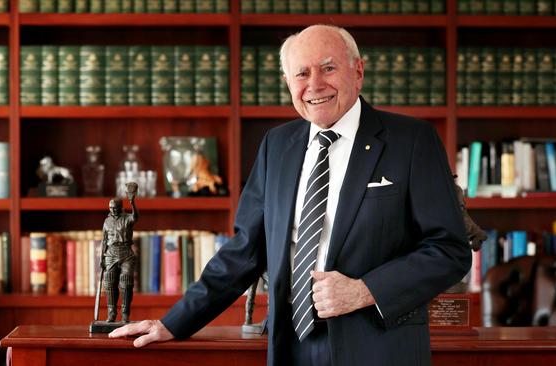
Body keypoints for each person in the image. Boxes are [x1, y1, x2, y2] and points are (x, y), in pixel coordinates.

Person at [110, 24, 471, 366]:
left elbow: (450, 250)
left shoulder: (411, 141)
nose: (315, 84)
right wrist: (174, 322)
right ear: (288, 83)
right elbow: (246, 249)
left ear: (358, 71)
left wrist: (366, 290)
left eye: (328, 68)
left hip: (377, 345)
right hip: (289, 344)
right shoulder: (277, 145)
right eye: (301, 74)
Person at [101, 195, 139, 323]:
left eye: (115, 208)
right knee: (110, 283)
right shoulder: (107, 221)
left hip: (125, 253)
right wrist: (102, 257)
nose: (113, 210)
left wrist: (132, 203)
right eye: (111, 208)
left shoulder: (127, 218)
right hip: (111, 253)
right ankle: (111, 313)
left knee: (126, 283)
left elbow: (136, 217)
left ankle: (125, 313)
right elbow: (104, 240)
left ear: (121, 207)